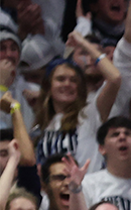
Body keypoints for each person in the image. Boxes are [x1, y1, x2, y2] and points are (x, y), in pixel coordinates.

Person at [32, 35, 121, 167]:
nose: (67, 84)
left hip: (86, 186)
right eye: (61, 79)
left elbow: (115, 78)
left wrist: (84, 44)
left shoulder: (89, 114)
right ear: (48, 87)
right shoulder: (39, 128)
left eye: (74, 80)